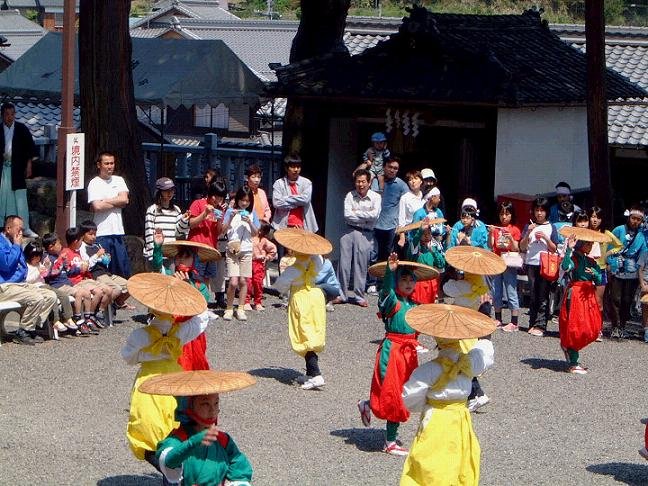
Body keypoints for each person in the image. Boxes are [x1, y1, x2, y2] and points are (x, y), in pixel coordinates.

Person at [122, 277, 212, 468]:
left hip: (149, 378)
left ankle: (161, 458)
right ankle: (179, 456)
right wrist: (191, 298)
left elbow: (128, 357)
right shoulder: (180, 332)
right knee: (177, 416)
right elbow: (202, 319)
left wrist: (145, 356)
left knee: (149, 419)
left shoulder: (140, 335)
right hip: (175, 376)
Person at [400, 320, 495, 485]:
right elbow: (484, 354)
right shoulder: (470, 363)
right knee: (460, 457)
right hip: (460, 417)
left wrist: (427, 405)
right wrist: (485, 337)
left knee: (430, 459)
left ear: (438, 340)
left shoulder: (428, 370)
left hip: (436, 417)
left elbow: (410, 397)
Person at [357, 253, 422, 456]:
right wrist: (389, 273)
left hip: (409, 354)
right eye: (404, 279)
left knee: (404, 393)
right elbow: (385, 291)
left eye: (412, 279)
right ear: (397, 282)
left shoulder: (415, 306)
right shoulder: (392, 302)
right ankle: (390, 442)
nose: (409, 283)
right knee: (394, 396)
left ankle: (367, 404)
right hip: (393, 350)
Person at [273, 230, 330, 391]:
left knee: (303, 334)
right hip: (315, 297)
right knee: (312, 332)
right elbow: (318, 259)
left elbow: (280, 285)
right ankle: (311, 372)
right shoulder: (316, 261)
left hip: (301, 299)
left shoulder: (294, 268)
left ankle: (316, 373)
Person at [156, 393, 253, 485]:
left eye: (216, 403)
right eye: (205, 404)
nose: (212, 410)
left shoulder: (222, 439)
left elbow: (239, 467)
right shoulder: (177, 439)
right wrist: (192, 443)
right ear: (188, 406)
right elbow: (168, 461)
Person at [0, 215, 57, 344]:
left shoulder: (15, 242)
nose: (21, 233)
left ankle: (31, 328)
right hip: (5, 286)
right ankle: (23, 331)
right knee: (36, 298)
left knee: (50, 296)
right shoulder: (3, 243)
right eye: (18, 229)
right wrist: (16, 246)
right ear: (8, 228)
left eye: (22, 230)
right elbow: (7, 265)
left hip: (20, 284)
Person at [42, 230, 110, 335]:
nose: (61, 246)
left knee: (86, 293)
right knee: (79, 294)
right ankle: (77, 319)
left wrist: (79, 269)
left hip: (68, 283)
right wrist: (60, 261)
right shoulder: (47, 258)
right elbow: (50, 273)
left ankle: (87, 319)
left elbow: (68, 270)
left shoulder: (59, 256)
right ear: (51, 247)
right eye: (59, 243)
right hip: (58, 285)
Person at [334, 169, 381, 307]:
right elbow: (348, 215)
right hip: (348, 231)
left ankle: (359, 296)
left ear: (369, 182)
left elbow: (374, 215)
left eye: (363, 181)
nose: (360, 184)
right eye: (358, 181)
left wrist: (357, 212)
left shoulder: (376, 197)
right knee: (343, 265)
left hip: (366, 233)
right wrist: (365, 213)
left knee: (361, 264)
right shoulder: (350, 195)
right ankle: (341, 294)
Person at [559, 233, 602, 374]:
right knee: (576, 327)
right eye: (587, 243)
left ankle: (569, 349)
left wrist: (596, 274)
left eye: (591, 244)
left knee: (593, 328)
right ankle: (573, 361)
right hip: (576, 294)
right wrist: (569, 250)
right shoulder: (574, 258)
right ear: (581, 243)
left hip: (589, 294)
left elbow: (601, 279)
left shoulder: (592, 261)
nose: (590, 246)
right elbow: (565, 267)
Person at [86, 151, 131, 278]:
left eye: (112, 163)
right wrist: (116, 200)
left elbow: (125, 200)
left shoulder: (119, 180)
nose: (110, 166)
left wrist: (105, 200)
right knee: (104, 271)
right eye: (106, 163)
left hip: (118, 232)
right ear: (99, 165)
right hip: (101, 233)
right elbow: (97, 207)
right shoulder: (94, 183)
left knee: (123, 271)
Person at [519, 197, 559, 337]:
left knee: (543, 294)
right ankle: (532, 323)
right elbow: (522, 247)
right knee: (533, 294)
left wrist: (546, 239)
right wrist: (529, 233)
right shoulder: (528, 226)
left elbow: (554, 248)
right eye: (537, 210)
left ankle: (541, 325)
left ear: (547, 212)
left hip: (545, 264)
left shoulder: (551, 227)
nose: (539, 213)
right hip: (531, 263)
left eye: (542, 210)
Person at [608, 205, 647, 339]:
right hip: (617, 267)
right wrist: (610, 263)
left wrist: (640, 270)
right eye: (633, 218)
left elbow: (643, 253)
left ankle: (623, 325)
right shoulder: (618, 230)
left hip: (632, 270)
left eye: (638, 219)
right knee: (615, 298)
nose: (635, 221)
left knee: (627, 299)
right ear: (628, 217)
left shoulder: (642, 236)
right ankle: (615, 326)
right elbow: (609, 246)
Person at [221, 186, 259, 321]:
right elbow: (223, 231)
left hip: (247, 250)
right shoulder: (230, 211)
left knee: (244, 280)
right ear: (237, 200)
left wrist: (250, 222)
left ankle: (241, 308)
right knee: (233, 282)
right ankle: (229, 308)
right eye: (242, 200)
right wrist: (230, 217)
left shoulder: (252, 213)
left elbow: (256, 233)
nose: (244, 203)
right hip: (232, 249)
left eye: (247, 201)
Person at [0, 102, 38, 237]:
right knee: (2, 198)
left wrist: (29, 165)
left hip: (17, 169)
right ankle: (3, 227)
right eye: (7, 114)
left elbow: (30, 149)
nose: (10, 117)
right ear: (2, 115)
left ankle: (25, 227)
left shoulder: (21, 129)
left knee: (20, 198)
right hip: (3, 169)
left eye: (12, 114)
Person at [187, 179, 228, 301]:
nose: (219, 201)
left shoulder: (219, 209)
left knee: (207, 277)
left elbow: (219, 232)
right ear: (211, 195)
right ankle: (194, 302)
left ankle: (204, 304)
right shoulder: (198, 203)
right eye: (217, 197)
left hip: (211, 249)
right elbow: (191, 223)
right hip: (197, 248)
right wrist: (205, 213)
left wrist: (221, 216)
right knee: (196, 277)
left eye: (222, 198)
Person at [23, 242, 77, 334]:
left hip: (44, 285)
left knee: (63, 295)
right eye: (34, 257)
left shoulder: (39, 264)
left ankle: (68, 317)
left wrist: (47, 266)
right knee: (53, 297)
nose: (37, 259)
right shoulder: (26, 266)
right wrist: (37, 272)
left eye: (38, 257)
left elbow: (45, 274)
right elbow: (27, 280)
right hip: (35, 287)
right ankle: (55, 320)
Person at [79, 220, 132, 311]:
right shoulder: (82, 247)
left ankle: (116, 303)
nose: (93, 237)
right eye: (90, 234)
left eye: (95, 234)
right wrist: (97, 255)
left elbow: (105, 262)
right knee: (117, 289)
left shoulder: (97, 245)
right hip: (96, 275)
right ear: (83, 234)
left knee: (130, 286)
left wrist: (106, 258)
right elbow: (88, 265)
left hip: (106, 273)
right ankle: (100, 309)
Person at [489, 201, 522, 331]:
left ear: (511, 215)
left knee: (511, 290)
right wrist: (491, 233)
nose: (504, 217)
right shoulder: (496, 228)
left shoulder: (515, 229)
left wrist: (511, 239)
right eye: (502, 214)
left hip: (509, 263)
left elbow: (516, 248)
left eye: (507, 214)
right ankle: (498, 318)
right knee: (496, 290)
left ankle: (514, 321)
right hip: (497, 261)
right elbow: (492, 245)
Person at [373, 157, 408, 274]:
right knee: (374, 254)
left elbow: (408, 203)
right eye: (390, 167)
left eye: (395, 168)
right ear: (384, 167)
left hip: (391, 226)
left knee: (389, 255)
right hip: (374, 224)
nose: (392, 170)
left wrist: (402, 226)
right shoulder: (375, 180)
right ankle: (372, 283)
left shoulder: (401, 185)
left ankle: (386, 283)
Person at [143, 177, 189, 264]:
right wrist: (152, 256)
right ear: (159, 192)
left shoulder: (176, 210)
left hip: (171, 255)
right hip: (156, 255)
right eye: (166, 190)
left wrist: (184, 220)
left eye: (172, 190)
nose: (170, 193)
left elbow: (178, 232)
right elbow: (149, 234)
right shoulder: (152, 210)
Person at [587, 206, 622, 317]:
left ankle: (598, 327)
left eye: (598, 217)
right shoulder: (585, 232)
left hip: (600, 269)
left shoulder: (606, 233)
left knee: (598, 301)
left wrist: (607, 254)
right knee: (585, 300)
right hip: (585, 269)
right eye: (592, 216)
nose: (595, 220)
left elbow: (619, 245)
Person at [271, 153, 318, 232]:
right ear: (286, 168)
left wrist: (286, 198)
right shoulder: (279, 183)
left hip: (303, 226)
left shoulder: (307, 183)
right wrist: (297, 203)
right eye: (293, 167)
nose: (296, 169)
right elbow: (276, 203)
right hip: (283, 226)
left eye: (298, 167)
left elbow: (305, 200)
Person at [245, 222, 277, 311]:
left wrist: (267, 257)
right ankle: (246, 301)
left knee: (258, 282)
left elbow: (273, 249)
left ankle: (257, 302)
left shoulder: (264, 240)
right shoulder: (248, 236)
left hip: (258, 263)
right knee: (247, 282)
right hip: (247, 261)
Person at [396, 170, 424, 250]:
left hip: (425, 234)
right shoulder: (405, 198)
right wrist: (402, 237)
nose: (413, 181)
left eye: (415, 178)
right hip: (412, 234)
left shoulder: (425, 196)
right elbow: (401, 219)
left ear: (421, 181)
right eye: (410, 179)